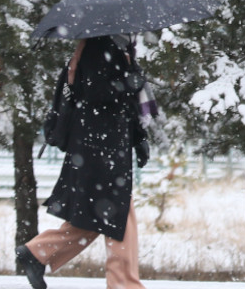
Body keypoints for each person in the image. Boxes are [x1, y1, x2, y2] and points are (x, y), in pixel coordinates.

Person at [17, 35, 151, 289]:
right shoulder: (97, 46)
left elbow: (124, 106)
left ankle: (37, 253)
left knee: (105, 213)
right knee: (114, 213)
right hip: (96, 146)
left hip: (108, 145)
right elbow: (95, 91)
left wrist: (138, 138)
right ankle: (124, 283)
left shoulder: (119, 48)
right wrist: (128, 83)